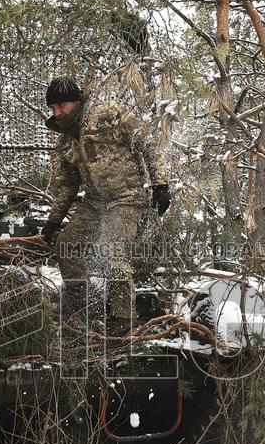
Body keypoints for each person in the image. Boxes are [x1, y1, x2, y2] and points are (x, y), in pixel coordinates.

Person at [40, 76, 169, 333]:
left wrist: (160, 183)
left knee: (111, 248)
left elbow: (146, 141)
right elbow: (67, 184)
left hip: (126, 197)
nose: (57, 112)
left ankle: (123, 319)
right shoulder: (65, 139)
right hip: (94, 202)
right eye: (53, 108)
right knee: (66, 245)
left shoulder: (108, 114)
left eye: (61, 106)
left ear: (76, 101)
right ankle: (81, 305)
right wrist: (54, 220)